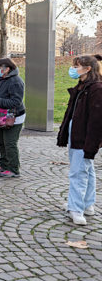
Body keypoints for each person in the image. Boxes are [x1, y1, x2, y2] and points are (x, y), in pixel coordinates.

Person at [57, 54, 102, 226]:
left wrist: (91, 145)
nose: (73, 69)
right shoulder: (83, 86)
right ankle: (87, 204)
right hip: (76, 133)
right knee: (87, 169)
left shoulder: (96, 88)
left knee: (78, 172)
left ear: (87, 68)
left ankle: (76, 208)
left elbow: (96, 120)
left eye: (76, 66)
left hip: (83, 137)